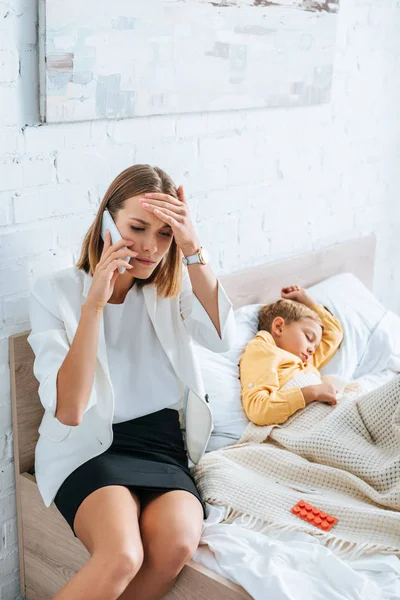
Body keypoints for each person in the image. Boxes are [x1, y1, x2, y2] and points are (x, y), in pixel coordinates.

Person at [28, 164, 235, 600]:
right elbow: (69, 410)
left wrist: (193, 245)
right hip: (88, 446)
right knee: (123, 555)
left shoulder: (169, 291)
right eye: (137, 227)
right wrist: (94, 305)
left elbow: (222, 338)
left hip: (160, 445)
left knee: (177, 542)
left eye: (164, 234)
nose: (150, 247)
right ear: (107, 220)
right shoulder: (54, 292)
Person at [240, 285, 343, 427]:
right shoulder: (264, 350)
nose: (313, 350)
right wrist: (312, 392)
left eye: (315, 346)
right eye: (308, 337)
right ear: (279, 327)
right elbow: (258, 409)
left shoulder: (307, 361)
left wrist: (307, 300)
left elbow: (334, 334)